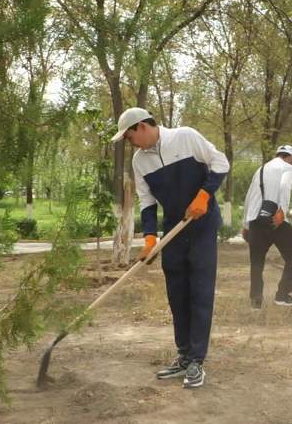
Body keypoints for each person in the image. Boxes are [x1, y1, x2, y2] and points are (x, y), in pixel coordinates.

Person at [111, 107, 229, 389]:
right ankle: (184, 356)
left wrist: (204, 195)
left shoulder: (185, 137)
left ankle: (197, 362)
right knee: (177, 294)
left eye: (129, 137)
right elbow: (147, 202)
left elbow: (221, 163)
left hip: (201, 225)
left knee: (200, 293)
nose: (130, 144)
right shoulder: (140, 161)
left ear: (141, 127)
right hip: (173, 230)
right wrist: (150, 238)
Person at [242, 145, 292, 309]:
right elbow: (284, 187)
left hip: (255, 220)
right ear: (291, 157)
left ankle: (256, 302)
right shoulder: (287, 167)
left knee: (256, 263)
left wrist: (245, 224)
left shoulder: (261, 169)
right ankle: (282, 296)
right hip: (276, 220)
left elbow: (249, 197)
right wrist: (282, 210)